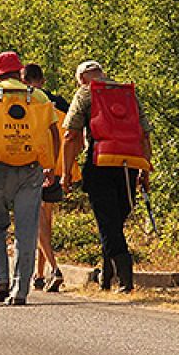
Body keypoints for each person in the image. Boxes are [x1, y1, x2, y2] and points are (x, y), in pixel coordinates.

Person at [0, 51, 60, 305]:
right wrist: (51, 165)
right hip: (31, 168)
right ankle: (20, 291)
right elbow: (54, 133)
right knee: (27, 230)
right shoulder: (38, 97)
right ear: (20, 72)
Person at [61, 60, 152, 293]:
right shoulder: (127, 93)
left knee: (108, 223)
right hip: (128, 164)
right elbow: (144, 135)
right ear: (102, 74)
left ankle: (125, 277)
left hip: (100, 162)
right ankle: (107, 275)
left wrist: (66, 173)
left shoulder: (85, 93)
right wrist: (144, 169)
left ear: (82, 79)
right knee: (113, 222)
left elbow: (71, 135)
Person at [20, 63, 69, 293]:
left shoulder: (29, 101)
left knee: (38, 223)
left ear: (24, 81)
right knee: (46, 221)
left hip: (36, 164)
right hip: (57, 165)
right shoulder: (59, 102)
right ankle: (39, 276)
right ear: (43, 79)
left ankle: (54, 268)